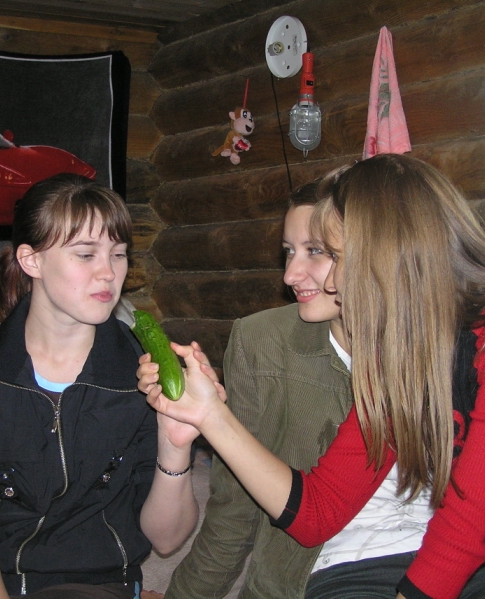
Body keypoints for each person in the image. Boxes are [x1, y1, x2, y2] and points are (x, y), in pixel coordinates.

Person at [139, 154, 485, 599]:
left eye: (334, 256)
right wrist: (210, 414)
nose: (330, 284)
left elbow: (465, 527)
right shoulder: (404, 350)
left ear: (392, 250)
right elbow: (319, 510)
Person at [0, 173, 199, 599]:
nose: (109, 273)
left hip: (92, 581)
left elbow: (166, 539)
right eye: (86, 254)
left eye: (119, 254)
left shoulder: (141, 376)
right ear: (31, 261)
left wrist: (176, 446)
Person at [164, 178, 355, 598]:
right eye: (289, 251)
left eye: (315, 250)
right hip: (298, 581)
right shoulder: (260, 340)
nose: (290, 275)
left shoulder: (446, 346)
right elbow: (235, 504)